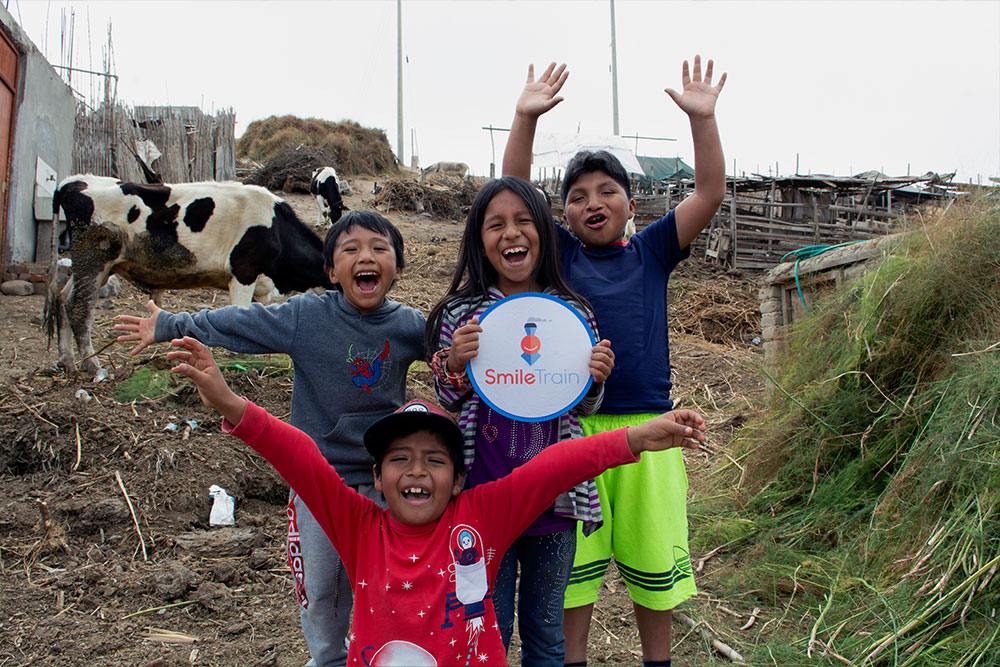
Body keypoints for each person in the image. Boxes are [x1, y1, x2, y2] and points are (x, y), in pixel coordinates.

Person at [165, 334, 706, 667]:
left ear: (457, 478)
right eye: (400, 459)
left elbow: (552, 468)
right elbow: (301, 458)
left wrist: (635, 437)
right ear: (376, 476)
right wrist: (231, 402)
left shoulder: (482, 516)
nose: (417, 470)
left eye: (435, 459)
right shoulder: (358, 526)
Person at [114, 211, 425, 667]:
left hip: (386, 485)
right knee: (321, 589)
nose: (367, 257)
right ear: (330, 270)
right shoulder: (306, 317)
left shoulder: (410, 325)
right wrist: (171, 325)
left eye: (380, 248)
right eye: (351, 249)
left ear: (397, 267)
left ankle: (392, 656)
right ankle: (327, 659)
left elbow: (449, 359)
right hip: (319, 481)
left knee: (392, 584)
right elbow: (242, 323)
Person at [502, 57, 727, 667]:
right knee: (572, 580)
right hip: (570, 432)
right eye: (577, 197)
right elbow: (513, 194)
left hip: (648, 431)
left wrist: (702, 120)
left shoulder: (654, 250)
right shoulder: (557, 256)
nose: (591, 202)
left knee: (654, 569)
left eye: (607, 192)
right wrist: (525, 118)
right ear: (565, 213)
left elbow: (709, 192)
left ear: (632, 204)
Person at [424, 176, 615, 665]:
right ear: (480, 242)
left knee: (547, 631)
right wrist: (455, 365)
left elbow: (583, 407)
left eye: (524, 221)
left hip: (555, 503)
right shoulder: (461, 314)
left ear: (544, 234)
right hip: (482, 498)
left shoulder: (573, 313)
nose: (511, 233)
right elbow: (447, 399)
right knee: (489, 626)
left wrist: (594, 379)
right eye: (496, 225)